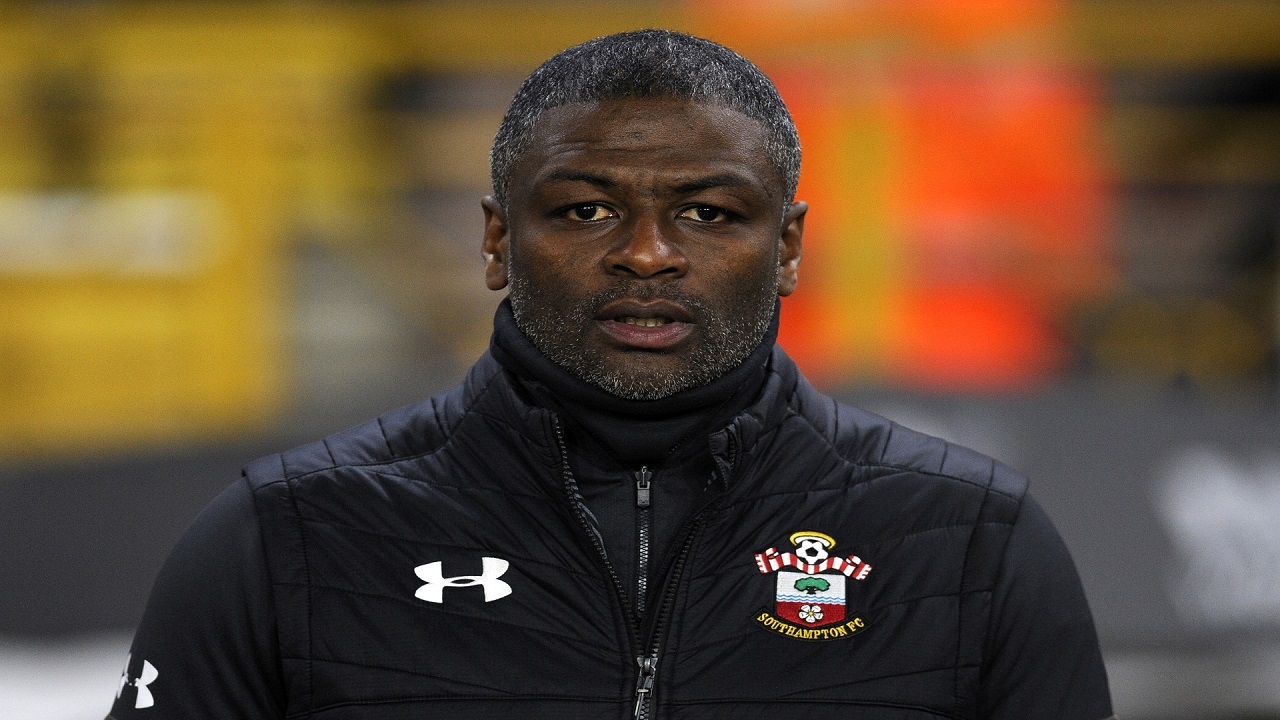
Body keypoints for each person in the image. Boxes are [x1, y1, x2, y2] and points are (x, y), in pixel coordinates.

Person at [108, 29, 1113, 720]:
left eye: (708, 213)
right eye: (586, 210)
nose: (646, 254)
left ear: (789, 249)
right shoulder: (287, 538)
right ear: (496, 241)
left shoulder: (970, 543)